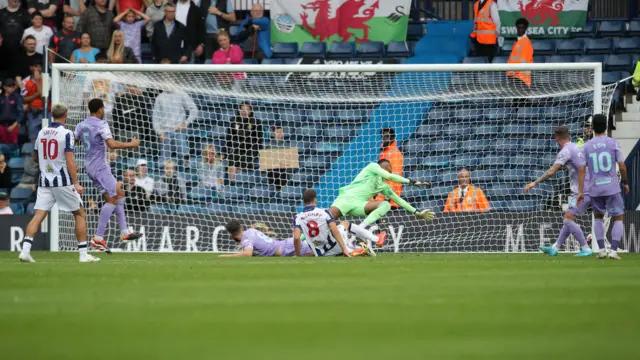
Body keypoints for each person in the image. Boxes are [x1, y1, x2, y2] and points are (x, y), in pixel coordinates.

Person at [19, 102, 100, 263]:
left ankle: (25, 251)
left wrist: (47, 161)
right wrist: (76, 183)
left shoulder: (41, 132)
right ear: (65, 115)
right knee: (80, 213)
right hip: (62, 180)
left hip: (45, 180)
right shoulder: (67, 133)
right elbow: (70, 161)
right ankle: (83, 255)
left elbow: (35, 156)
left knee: (39, 215)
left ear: (52, 114)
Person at [74, 98, 143, 254]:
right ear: (100, 109)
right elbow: (112, 144)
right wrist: (131, 144)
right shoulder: (101, 124)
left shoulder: (81, 125)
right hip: (100, 167)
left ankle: (124, 232)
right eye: (103, 108)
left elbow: (74, 140)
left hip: (89, 166)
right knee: (116, 196)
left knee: (117, 195)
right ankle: (99, 238)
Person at [329, 160, 435, 246]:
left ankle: (360, 228)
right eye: (390, 169)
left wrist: (417, 212)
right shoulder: (373, 166)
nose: (391, 171)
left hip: (360, 205)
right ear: (386, 166)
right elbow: (391, 177)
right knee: (327, 220)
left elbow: (399, 200)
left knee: (386, 204)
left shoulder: (383, 186)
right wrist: (411, 182)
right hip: (346, 198)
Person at [525, 126, 593, 257]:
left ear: (557, 138)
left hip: (582, 190)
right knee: (569, 218)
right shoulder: (576, 147)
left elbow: (551, 171)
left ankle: (586, 248)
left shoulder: (566, 151)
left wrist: (534, 182)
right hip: (590, 187)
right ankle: (554, 247)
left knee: (568, 220)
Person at [578, 114, 630, 260]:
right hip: (612, 187)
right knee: (618, 217)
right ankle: (613, 251)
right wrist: (625, 182)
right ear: (606, 126)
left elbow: (582, 169)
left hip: (595, 188)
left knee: (598, 218)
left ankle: (601, 250)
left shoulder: (586, 146)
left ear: (592, 127)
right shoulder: (613, 143)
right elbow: (622, 166)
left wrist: (581, 191)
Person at [294, 189, 374, 257]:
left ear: (304, 202)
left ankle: (353, 247)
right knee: (344, 223)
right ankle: (369, 241)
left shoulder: (298, 217)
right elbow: (335, 231)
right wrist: (344, 249)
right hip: (334, 247)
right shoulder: (324, 212)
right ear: (315, 200)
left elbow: (297, 237)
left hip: (319, 253)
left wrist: (298, 255)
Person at [221, 219, 314, 257]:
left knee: (319, 252)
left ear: (232, 234)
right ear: (241, 227)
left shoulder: (246, 239)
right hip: (285, 244)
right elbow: (256, 225)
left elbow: (248, 253)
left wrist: (229, 256)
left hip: (287, 248)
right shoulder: (249, 230)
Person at [151, 85, 197, 162]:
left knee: (184, 159)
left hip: (179, 132)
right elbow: (155, 117)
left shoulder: (182, 94)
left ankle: (184, 171)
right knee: (163, 161)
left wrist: (186, 123)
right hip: (165, 133)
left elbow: (194, 109)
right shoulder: (160, 97)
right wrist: (159, 132)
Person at [225, 103, 261, 182]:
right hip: (236, 149)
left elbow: (259, 140)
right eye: (242, 109)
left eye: (247, 109)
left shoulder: (256, 122)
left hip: (250, 149)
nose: (244, 112)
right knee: (232, 157)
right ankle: (232, 183)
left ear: (251, 111)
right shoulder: (233, 120)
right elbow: (229, 137)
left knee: (243, 157)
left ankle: (241, 179)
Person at [375, 128, 403, 207]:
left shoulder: (395, 154)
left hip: (389, 200)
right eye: (383, 136)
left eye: (387, 136)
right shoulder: (384, 153)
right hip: (381, 197)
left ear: (392, 138)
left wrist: (388, 197)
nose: (384, 139)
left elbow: (394, 176)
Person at [0, 0, 31, 69]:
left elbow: (29, 30)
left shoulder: (25, 13)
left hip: (20, 49)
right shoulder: (1, 13)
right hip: (3, 49)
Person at [22, 62, 45, 142]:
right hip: (32, 113)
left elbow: (43, 95)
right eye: (35, 66)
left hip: (45, 112)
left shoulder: (47, 79)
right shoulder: (25, 81)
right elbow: (24, 99)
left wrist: (38, 81)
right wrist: (36, 95)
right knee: (33, 137)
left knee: (46, 136)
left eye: (39, 66)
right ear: (31, 68)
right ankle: (34, 154)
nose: (37, 69)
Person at [507, 17, 533, 89]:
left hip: (521, 79)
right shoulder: (517, 42)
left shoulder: (526, 42)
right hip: (515, 78)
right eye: (519, 27)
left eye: (523, 27)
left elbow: (522, 60)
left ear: (526, 29)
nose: (520, 29)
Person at [0, 78, 23, 147]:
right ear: (5, 87)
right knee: (1, 146)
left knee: (13, 147)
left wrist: (14, 125)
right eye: (10, 86)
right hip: (1, 125)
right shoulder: (0, 98)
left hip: (13, 125)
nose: (12, 88)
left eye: (13, 86)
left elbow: (21, 113)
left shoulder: (16, 97)